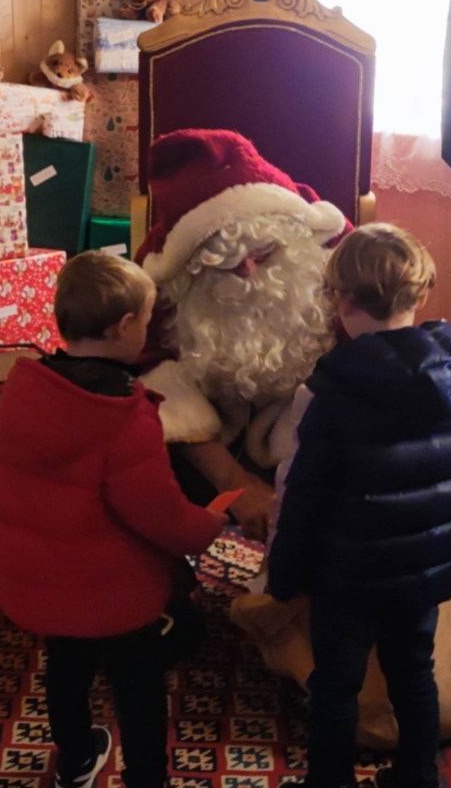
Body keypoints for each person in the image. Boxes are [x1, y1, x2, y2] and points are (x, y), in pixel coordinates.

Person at [0, 253, 225, 788]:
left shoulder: (23, 388)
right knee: (139, 693)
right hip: (115, 588)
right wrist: (211, 522)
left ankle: (74, 762)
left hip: (45, 578)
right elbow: (159, 513)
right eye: (146, 320)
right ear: (124, 326)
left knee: (65, 666)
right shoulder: (123, 416)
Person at [265, 224, 451, 788]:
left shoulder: (327, 392)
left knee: (334, 684)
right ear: (417, 294)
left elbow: (300, 495)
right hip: (424, 565)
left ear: (342, 302)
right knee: (413, 673)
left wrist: (282, 576)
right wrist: (442, 528)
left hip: (347, 576)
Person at [135, 130, 350, 538]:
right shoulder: (160, 275)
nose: (248, 272)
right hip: (208, 448)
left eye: (262, 254)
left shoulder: (336, 254)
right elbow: (150, 377)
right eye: (225, 262)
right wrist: (233, 481)